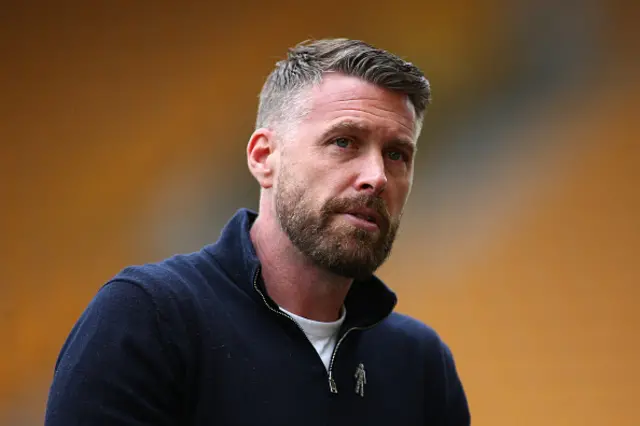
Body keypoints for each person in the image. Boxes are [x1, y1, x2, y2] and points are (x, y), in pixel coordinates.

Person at [44, 38, 471, 425]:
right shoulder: (149, 319)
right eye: (344, 141)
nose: (376, 177)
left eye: (397, 154)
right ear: (264, 157)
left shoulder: (420, 365)